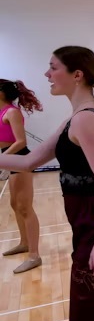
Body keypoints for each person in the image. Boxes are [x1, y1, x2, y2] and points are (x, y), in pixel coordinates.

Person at [0, 46, 94, 321]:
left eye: (53, 67)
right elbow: (29, 160)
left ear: (77, 75)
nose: (47, 74)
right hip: (91, 222)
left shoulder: (85, 120)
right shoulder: (74, 119)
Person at [0, 79, 43, 273]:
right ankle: (24, 243)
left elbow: (20, 141)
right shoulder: (2, 112)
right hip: (8, 159)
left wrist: (3, 158)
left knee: (25, 207)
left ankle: (34, 256)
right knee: (14, 204)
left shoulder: (12, 112)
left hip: (19, 158)